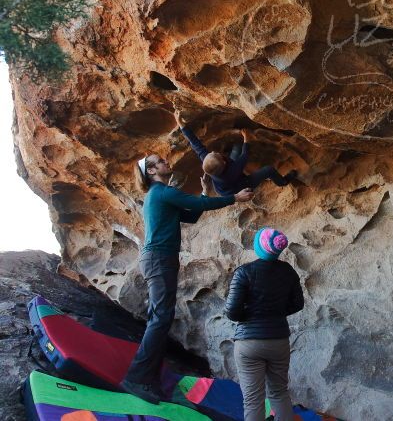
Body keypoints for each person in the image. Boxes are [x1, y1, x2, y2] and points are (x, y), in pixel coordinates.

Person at [121, 153, 254, 404]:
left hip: (158, 259)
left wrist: (205, 195)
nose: (167, 162)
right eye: (161, 161)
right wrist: (234, 198)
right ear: (151, 171)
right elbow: (198, 206)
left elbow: (192, 215)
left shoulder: (158, 197)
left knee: (160, 318)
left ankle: (147, 376)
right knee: (160, 319)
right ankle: (137, 377)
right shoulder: (162, 192)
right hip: (159, 259)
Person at [225, 227, 304, 421]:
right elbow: (298, 304)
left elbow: (232, 312)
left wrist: (252, 315)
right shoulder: (288, 271)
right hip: (279, 341)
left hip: (248, 343)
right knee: (279, 393)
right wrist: (275, 314)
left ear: (259, 247)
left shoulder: (244, 273)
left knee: (253, 400)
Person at [174, 110, 297, 197]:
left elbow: (195, 143)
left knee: (236, 148)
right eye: (216, 154)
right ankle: (283, 182)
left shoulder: (208, 160)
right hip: (239, 187)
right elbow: (244, 156)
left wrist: (181, 124)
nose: (212, 151)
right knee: (268, 170)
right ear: (223, 161)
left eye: (211, 153)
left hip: (224, 185)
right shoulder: (232, 171)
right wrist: (246, 138)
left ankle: (245, 169)